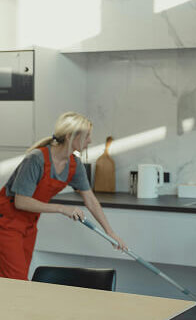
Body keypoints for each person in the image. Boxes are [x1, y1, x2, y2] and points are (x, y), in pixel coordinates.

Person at [0, 112, 127, 280]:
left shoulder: (74, 164)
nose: (90, 140)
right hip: (6, 223)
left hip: (29, 224)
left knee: (18, 279)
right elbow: (21, 202)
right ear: (70, 136)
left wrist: (110, 232)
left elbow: (91, 200)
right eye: (87, 136)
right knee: (17, 280)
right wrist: (61, 208)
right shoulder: (36, 159)